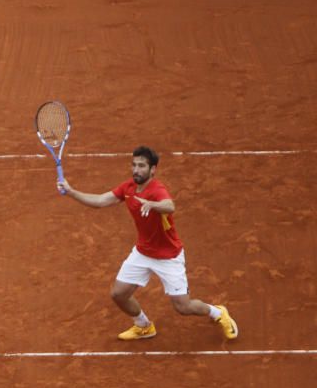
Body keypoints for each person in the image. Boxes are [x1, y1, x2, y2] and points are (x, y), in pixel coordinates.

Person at [58, 146, 238, 342]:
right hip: (143, 253)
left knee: (183, 307)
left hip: (169, 256)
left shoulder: (157, 190)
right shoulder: (128, 188)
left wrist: (153, 205)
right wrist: (71, 192)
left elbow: (170, 205)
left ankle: (218, 313)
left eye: (142, 166)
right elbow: (101, 201)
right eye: (134, 165)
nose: (136, 170)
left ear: (153, 170)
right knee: (119, 294)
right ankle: (143, 325)